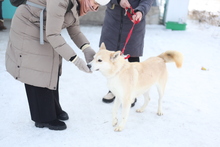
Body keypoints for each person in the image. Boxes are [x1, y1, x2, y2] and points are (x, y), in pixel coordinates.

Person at [5, 0, 110, 131]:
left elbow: (75, 31)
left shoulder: (75, 3)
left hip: (43, 27)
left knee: (52, 65)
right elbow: (53, 35)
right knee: (37, 68)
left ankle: (53, 108)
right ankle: (43, 118)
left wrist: (86, 48)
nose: (94, 8)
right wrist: (76, 60)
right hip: (28, 26)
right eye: (94, 3)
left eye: (98, 7)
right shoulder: (60, 1)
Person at [99, 0, 154, 105]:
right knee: (111, 58)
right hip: (113, 22)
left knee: (133, 59)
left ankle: (132, 92)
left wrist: (140, 11)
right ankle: (113, 90)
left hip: (134, 19)